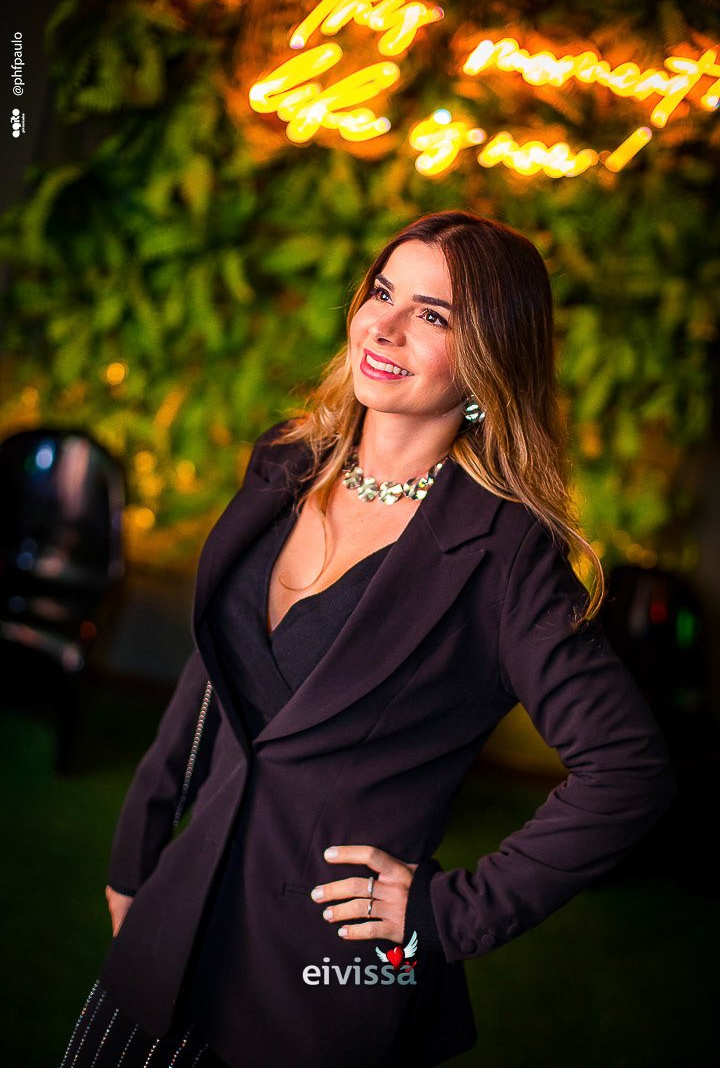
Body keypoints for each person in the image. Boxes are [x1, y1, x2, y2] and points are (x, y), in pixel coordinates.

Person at [59, 211, 676, 1068]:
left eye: (433, 315)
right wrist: (137, 855)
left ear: (489, 358)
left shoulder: (507, 556)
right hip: (177, 913)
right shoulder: (286, 461)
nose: (383, 327)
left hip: (319, 973)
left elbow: (628, 769)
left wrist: (450, 911)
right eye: (383, 293)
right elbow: (214, 674)